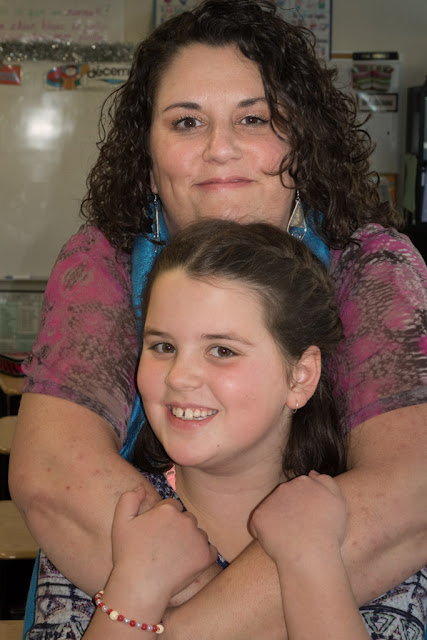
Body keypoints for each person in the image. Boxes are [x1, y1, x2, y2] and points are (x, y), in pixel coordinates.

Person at [8, 0, 427, 638]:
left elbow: (409, 488)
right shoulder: (103, 263)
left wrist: (182, 626)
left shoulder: (370, 265)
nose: (220, 149)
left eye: (253, 118)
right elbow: (53, 475)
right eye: (186, 122)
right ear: (148, 157)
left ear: (303, 143)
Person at [82, 219, 371, 640]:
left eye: (222, 350)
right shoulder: (111, 518)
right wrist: (133, 589)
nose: (179, 377)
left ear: (301, 376)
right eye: (163, 347)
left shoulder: (363, 527)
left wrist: (312, 560)